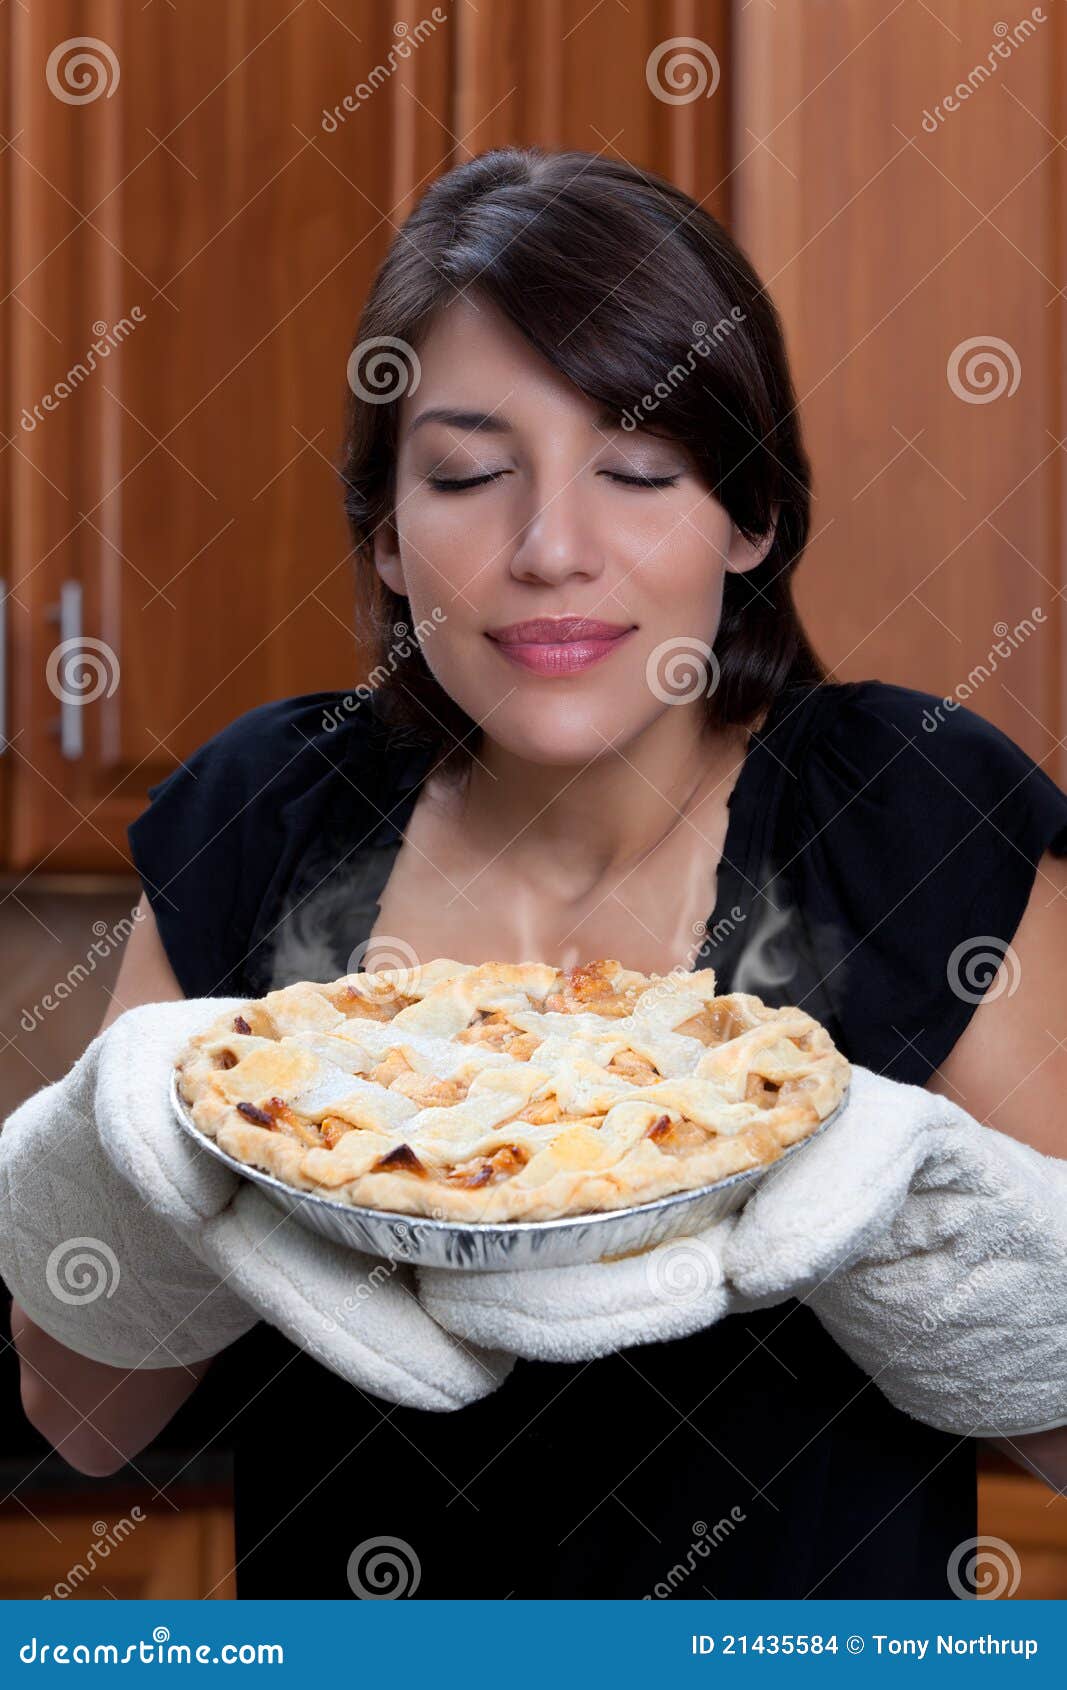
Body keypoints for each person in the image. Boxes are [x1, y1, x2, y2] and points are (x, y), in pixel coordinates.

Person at [12, 147, 1067, 1598]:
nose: (551, 548)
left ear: (751, 518)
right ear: (387, 528)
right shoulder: (264, 817)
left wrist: (919, 1234)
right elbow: (82, 1414)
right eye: (467, 473)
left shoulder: (911, 820)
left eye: (636, 470)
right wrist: (123, 1149)